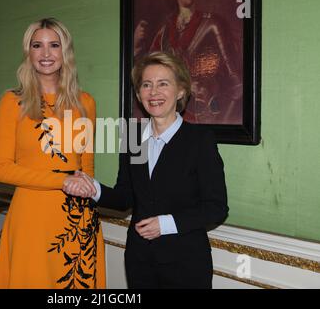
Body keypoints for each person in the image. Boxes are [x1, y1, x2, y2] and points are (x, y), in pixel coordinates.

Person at [67, 51, 228, 288]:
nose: (154, 92)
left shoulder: (199, 140)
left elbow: (216, 208)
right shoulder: (132, 137)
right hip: (139, 261)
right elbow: (125, 197)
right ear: (138, 93)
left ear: (181, 91)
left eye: (163, 84)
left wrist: (166, 224)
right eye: (146, 85)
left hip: (186, 265)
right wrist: (93, 189)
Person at [0, 18, 104, 289]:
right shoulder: (12, 102)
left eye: (54, 45)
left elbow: (86, 166)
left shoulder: (85, 103)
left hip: (76, 217)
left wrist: (82, 198)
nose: (45, 54)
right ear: (28, 53)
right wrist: (62, 181)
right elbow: (2, 168)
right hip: (31, 218)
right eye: (37, 45)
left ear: (65, 51)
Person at [135, 0, 242, 124]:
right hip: (171, 117)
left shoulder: (212, 24)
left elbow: (236, 84)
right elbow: (146, 72)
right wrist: (137, 47)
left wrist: (224, 121)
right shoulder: (165, 32)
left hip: (204, 111)